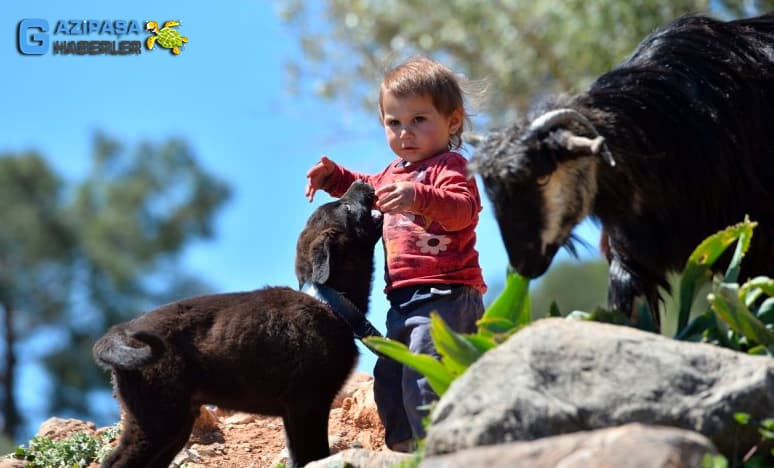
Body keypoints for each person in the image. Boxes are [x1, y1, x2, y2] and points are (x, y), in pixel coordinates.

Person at [304, 55, 487, 452]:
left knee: (427, 375)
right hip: (402, 301)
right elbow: (363, 185)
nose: (406, 132)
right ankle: (404, 450)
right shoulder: (392, 173)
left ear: (452, 121)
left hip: (448, 297)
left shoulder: (451, 166)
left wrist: (418, 197)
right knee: (391, 377)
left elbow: (462, 210)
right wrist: (334, 177)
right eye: (394, 123)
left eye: (419, 120)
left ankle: (442, 450)